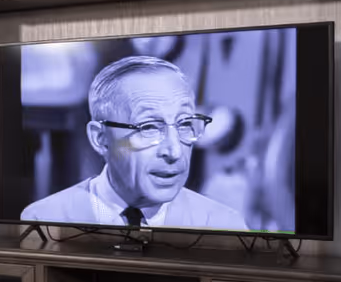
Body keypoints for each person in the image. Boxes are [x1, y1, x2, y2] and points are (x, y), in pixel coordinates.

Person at [20, 55, 249, 230]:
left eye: (184, 125)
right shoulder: (43, 220)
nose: (174, 151)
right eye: (149, 127)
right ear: (100, 138)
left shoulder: (223, 225)